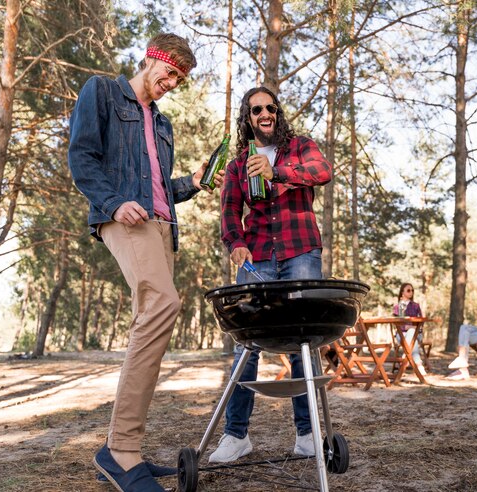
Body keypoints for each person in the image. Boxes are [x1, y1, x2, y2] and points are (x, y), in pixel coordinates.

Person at [68, 33, 222, 492]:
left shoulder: (163, 123)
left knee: (151, 325)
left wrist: (191, 183)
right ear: (152, 58)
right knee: (162, 305)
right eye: (170, 71)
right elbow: (82, 157)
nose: (172, 82)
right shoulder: (103, 91)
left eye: (180, 78)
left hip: (160, 226)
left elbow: (156, 186)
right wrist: (114, 204)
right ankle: (120, 452)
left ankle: (123, 446)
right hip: (124, 218)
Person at [208, 87, 333, 463]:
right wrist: (235, 244)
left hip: (301, 252)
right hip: (257, 258)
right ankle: (235, 436)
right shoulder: (236, 164)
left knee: (304, 343)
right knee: (247, 345)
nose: (264, 113)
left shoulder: (300, 147)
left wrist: (276, 171)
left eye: (270, 107)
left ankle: (308, 433)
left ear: (277, 113)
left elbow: (322, 172)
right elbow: (230, 210)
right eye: (255, 109)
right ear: (247, 118)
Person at [392, 283, 427, 376]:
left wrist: (412, 327)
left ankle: (405, 356)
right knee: (410, 332)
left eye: (412, 290)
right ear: (402, 292)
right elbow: (397, 323)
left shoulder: (416, 306)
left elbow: (421, 321)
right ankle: (419, 364)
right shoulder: (398, 307)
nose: (411, 292)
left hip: (416, 334)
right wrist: (406, 327)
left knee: (411, 332)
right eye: (408, 290)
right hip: (401, 335)